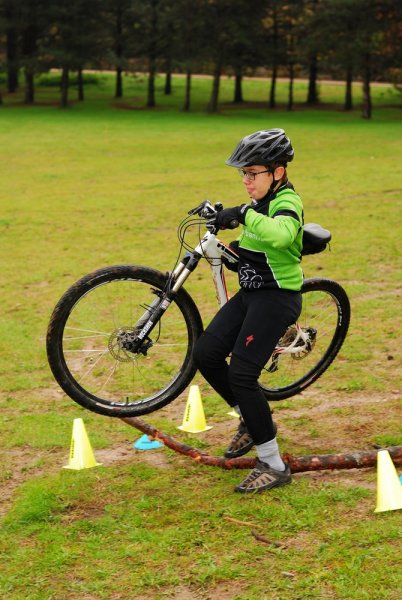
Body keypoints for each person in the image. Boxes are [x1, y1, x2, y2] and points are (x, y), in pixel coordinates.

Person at [193, 128, 303, 493]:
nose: (246, 180)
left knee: (241, 374)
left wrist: (243, 214)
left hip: (277, 298)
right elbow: (250, 249)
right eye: (243, 174)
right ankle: (249, 419)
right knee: (206, 354)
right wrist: (227, 239)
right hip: (251, 294)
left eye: (252, 173)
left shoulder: (286, 202)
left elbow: (282, 236)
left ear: (277, 172)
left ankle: (272, 461)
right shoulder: (257, 204)